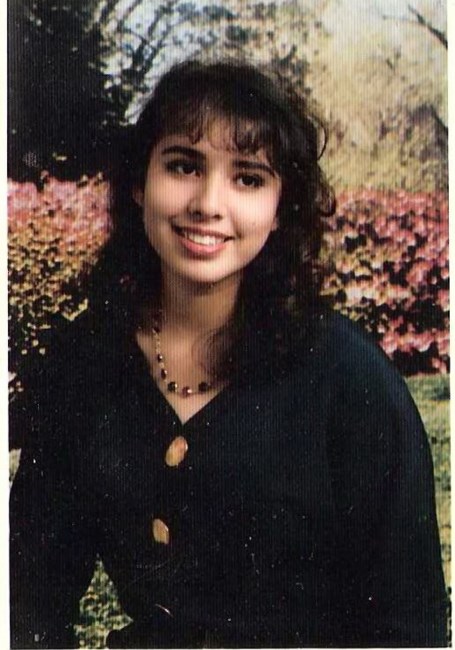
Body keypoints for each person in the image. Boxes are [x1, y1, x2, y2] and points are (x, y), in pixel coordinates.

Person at [10, 59, 447, 648]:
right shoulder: (84, 361)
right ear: (139, 182)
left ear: (281, 207)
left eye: (248, 178)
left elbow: (411, 629)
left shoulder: (352, 383)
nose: (208, 204)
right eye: (184, 166)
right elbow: (26, 597)